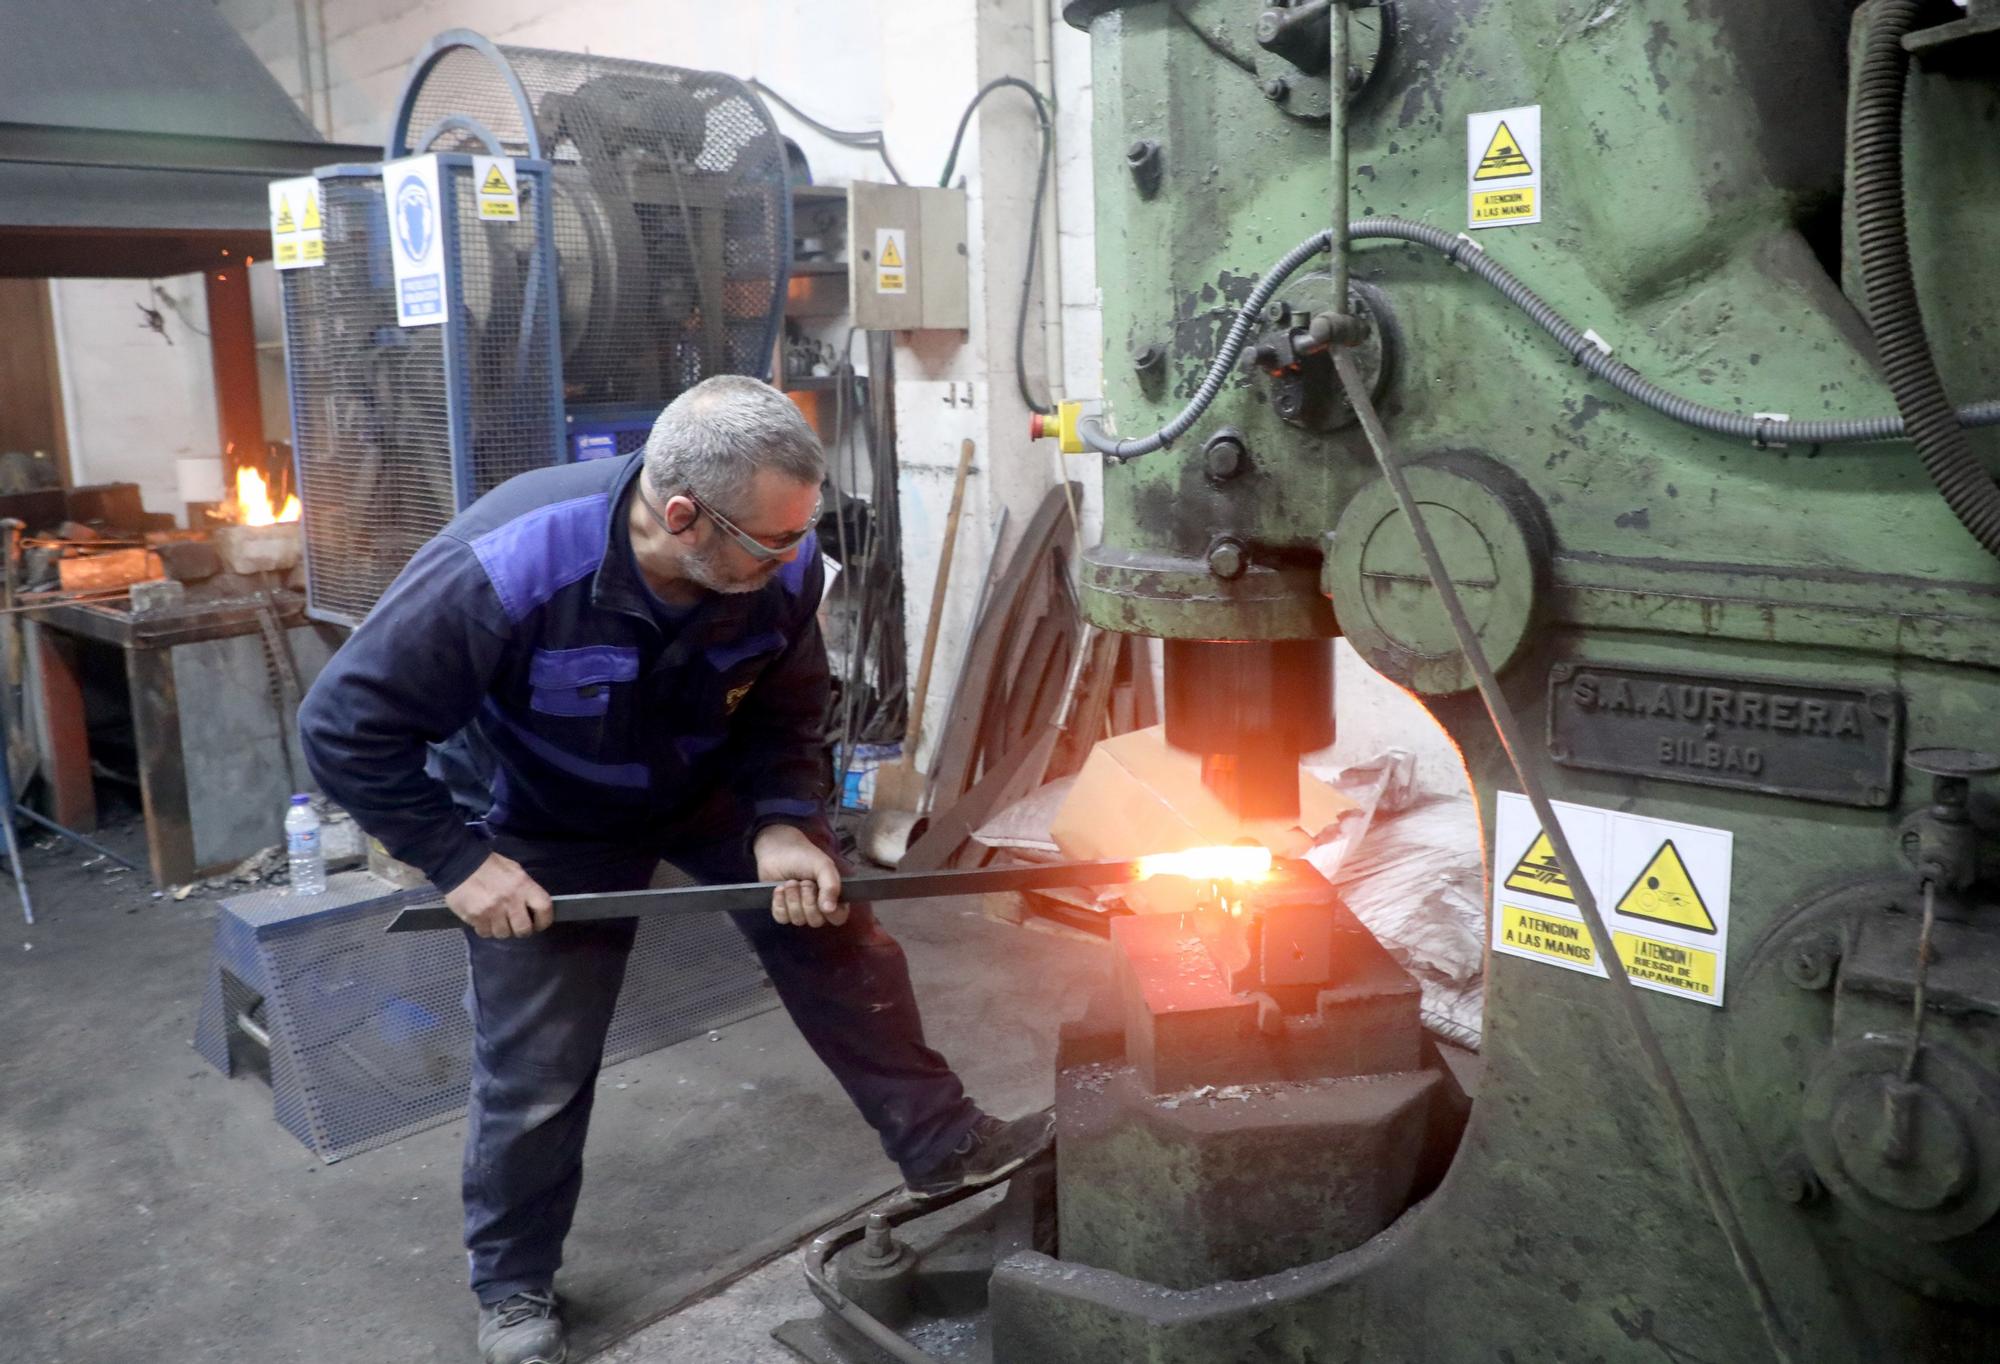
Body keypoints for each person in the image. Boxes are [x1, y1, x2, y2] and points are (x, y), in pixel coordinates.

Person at [298, 375, 1053, 1364]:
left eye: (800, 535)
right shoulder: (511, 563)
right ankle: (514, 1282)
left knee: (834, 931)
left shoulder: (776, 566)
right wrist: (458, 860)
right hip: (550, 809)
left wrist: (787, 820)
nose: (797, 561)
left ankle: (940, 1141)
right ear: (683, 514)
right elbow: (344, 727)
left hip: (704, 782)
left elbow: (787, 716)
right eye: (774, 542)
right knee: (538, 1058)